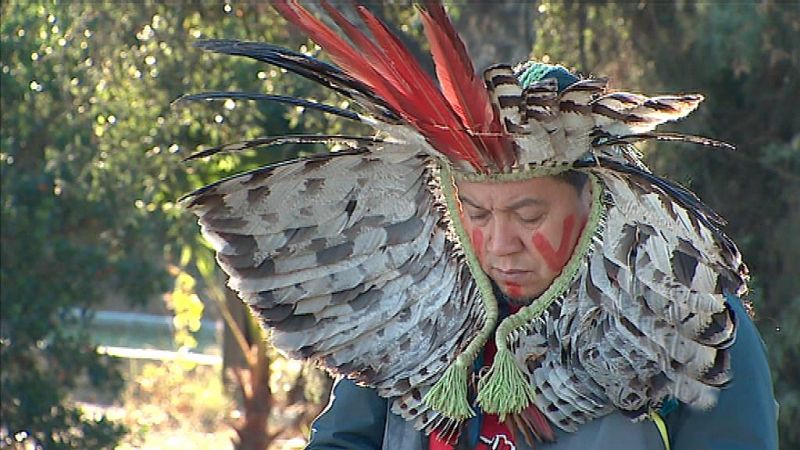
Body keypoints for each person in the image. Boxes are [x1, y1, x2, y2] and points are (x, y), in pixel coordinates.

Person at [180, 1, 778, 449]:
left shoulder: (692, 321)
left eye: (528, 214)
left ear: (593, 202)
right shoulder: (415, 305)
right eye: (476, 213)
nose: (500, 245)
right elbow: (345, 441)